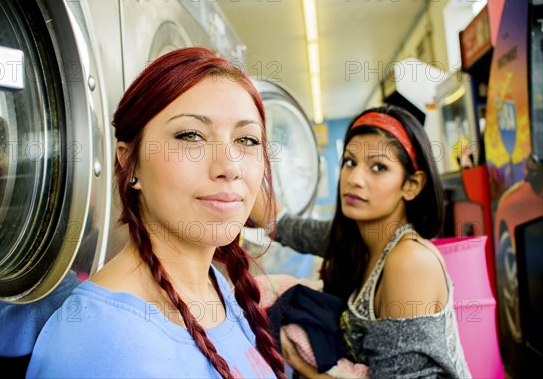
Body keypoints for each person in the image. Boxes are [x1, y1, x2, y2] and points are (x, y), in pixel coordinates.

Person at [26, 47, 285, 379]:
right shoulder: (98, 340)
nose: (230, 167)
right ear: (129, 162)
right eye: (191, 136)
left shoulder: (212, 284)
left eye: (247, 140)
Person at [269, 105, 472, 378]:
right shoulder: (358, 240)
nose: (354, 179)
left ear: (411, 185)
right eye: (350, 162)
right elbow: (296, 230)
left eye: (378, 167)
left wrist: (305, 369)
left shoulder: (409, 261)